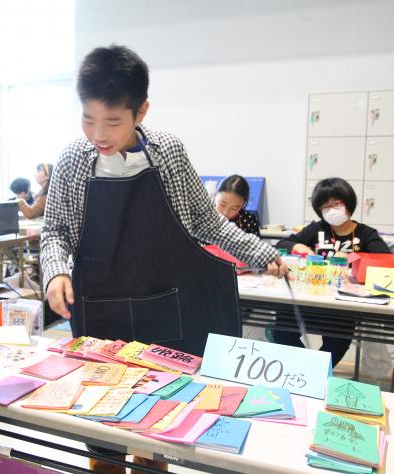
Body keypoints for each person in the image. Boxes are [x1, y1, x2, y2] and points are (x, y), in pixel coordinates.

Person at [41, 45, 286, 473]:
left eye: (112, 122)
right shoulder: (72, 160)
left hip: (164, 314)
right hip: (99, 317)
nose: (98, 134)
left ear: (141, 112)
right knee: (102, 435)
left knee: (156, 430)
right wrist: (56, 272)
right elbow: (55, 231)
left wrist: (262, 254)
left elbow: (206, 222)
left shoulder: (167, 152)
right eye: (88, 119)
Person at [273, 177, 390, 367]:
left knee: (337, 342)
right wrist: (298, 246)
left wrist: (353, 257)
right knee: (281, 332)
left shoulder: (365, 233)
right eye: (326, 207)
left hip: (342, 305)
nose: (332, 210)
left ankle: (314, 371)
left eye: (337, 204)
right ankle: (306, 369)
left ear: (349, 204)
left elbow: (386, 259)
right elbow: (282, 243)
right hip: (310, 297)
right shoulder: (317, 229)